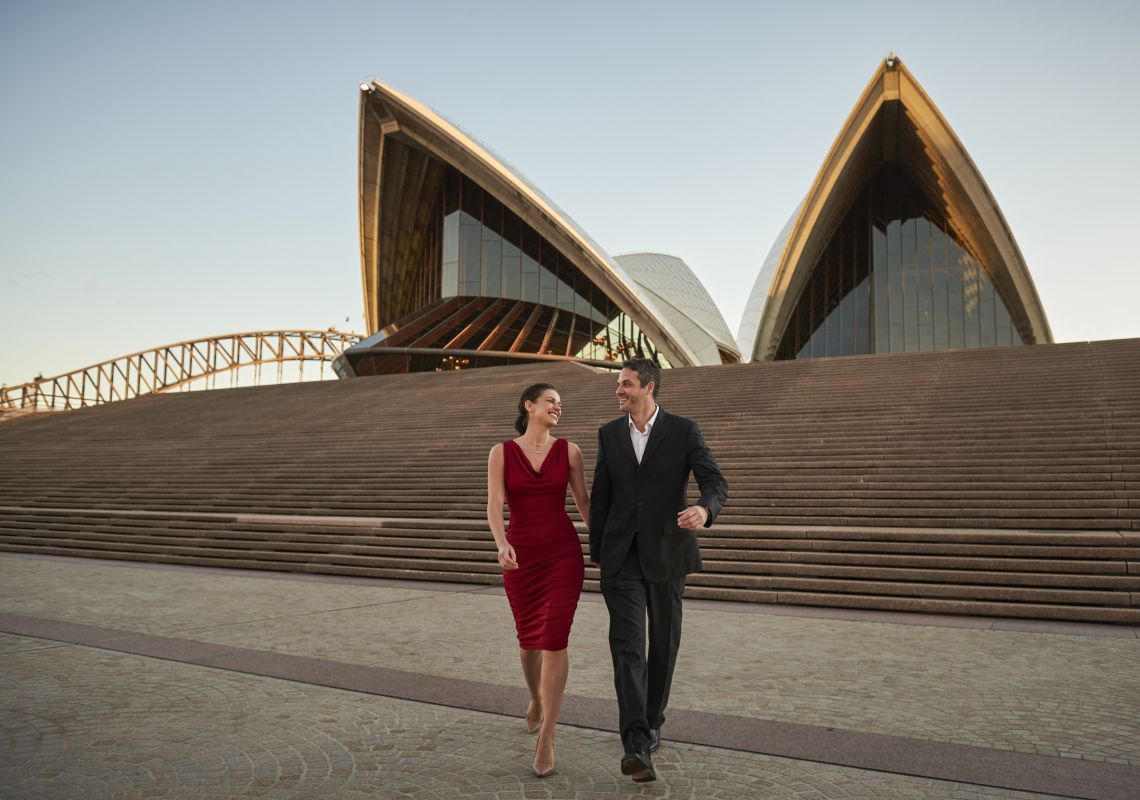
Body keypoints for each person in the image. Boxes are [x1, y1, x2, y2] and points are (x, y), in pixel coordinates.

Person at [589, 358, 727, 783]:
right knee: (628, 646)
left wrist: (704, 510)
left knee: (664, 645)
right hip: (622, 558)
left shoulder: (684, 431)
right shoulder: (609, 434)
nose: (619, 390)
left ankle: (651, 720)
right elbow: (602, 496)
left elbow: (714, 482)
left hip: (668, 553)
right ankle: (635, 743)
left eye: (626, 384)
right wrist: (599, 553)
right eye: (618, 384)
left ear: (648, 387)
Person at [487, 382, 589, 778]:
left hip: (563, 554)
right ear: (529, 406)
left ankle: (548, 733)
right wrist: (501, 543)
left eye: (561, 403)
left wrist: (603, 542)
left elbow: (583, 501)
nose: (557, 407)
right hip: (520, 556)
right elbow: (495, 503)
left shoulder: (570, 451)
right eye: (550, 401)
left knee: (555, 638)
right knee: (529, 642)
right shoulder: (501, 452)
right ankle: (535, 699)